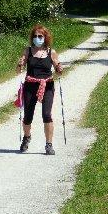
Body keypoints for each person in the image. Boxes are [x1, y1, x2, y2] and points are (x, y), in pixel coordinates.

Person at [16, 24, 63, 155]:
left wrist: (59, 68)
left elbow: (58, 69)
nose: (37, 38)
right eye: (35, 36)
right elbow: (18, 70)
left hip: (47, 85)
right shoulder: (28, 51)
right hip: (30, 85)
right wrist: (19, 64)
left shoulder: (51, 52)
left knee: (47, 115)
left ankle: (49, 144)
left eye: (40, 36)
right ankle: (26, 137)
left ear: (45, 37)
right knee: (28, 116)